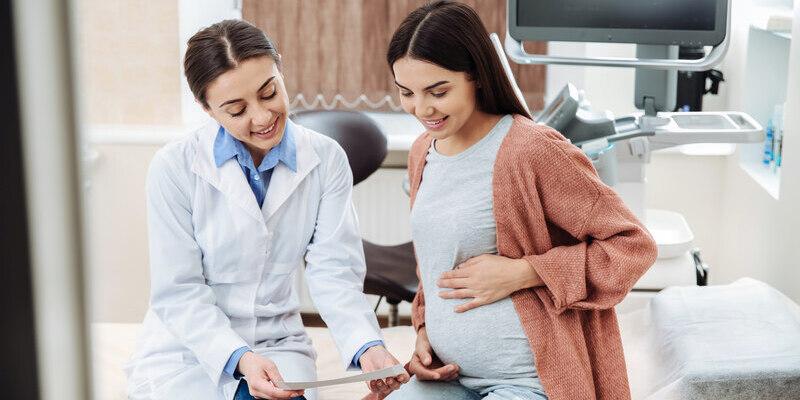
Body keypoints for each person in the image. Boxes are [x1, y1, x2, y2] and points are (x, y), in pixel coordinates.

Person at [384, 2, 658, 399]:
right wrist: (424, 332)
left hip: (529, 380)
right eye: (406, 93)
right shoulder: (423, 151)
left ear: (475, 76)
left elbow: (633, 247)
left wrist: (525, 272)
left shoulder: (531, 149)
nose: (421, 109)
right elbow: (434, 262)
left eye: (438, 91)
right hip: (451, 377)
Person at [125, 19, 408, 400]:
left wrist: (366, 346)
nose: (261, 118)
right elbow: (179, 291)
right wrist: (239, 357)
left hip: (277, 340)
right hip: (188, 349)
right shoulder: (174, 167)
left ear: (280, 69)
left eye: (269, 92)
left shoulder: (325, 159)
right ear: (206, 108)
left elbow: (334, 271)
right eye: (236, 109)